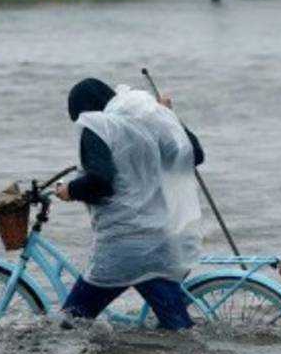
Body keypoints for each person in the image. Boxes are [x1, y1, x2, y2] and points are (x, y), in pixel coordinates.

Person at [54, 77, 205, 330]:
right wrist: (168, 117)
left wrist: (70, 189)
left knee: (71, 322)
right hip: (162, 240)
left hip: (124, 248)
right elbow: (194, 154)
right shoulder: (144, 126)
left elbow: (101, 183)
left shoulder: (95, 127)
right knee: (179, 329)